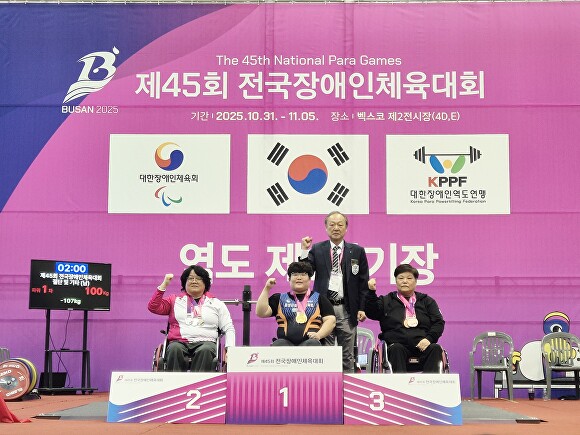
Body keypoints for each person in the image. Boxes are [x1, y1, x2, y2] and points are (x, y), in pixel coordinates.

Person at [299, 211, 369, 372]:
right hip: (324, 308)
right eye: (332, 224)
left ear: (346, 228)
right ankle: (327, 386)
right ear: (326, 228)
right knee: (326, 354)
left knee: (348, 356)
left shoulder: (357, 251)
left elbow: (363, 282)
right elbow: (305, 272)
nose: (336, 228)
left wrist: (362, 308)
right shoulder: (318, 249)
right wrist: (304, 251)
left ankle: (347, 387)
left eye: (340, 224)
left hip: (347, 309)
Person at [148, 265, 235, 372]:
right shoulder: (174, 300)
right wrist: (164, 284)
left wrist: (230, 350)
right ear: (184, 282)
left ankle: (201, 382)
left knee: (205, 350)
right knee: (174, 349)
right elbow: (153, 307)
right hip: (178, 341)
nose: (194, 281)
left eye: (198, 278)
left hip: (206, 342)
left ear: (206, 283)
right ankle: (174, 382)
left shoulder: (217, 303)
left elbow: (228, 328)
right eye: (190, 278)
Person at [365, 263, 445, 373]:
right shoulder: (387, 300)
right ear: (396, 281)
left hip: (423, 346)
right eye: (401, 278)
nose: (404, 281)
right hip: (397, 348)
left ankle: (431, 383)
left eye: (409, 278)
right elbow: (371, 312)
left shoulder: (427, 301)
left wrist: (429, 339)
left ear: (416, 281)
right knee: (396, 348)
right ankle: (399, 384)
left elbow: (438, 322)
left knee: (435, 348)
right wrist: (371, 292)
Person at [255, 261, 336, 346]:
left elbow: (331, 320)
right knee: (278, 344)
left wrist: (319, 335)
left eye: (303, 274)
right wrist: (267, 288)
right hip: (284, 344)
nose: (299, 278)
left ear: (309, 279)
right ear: (289, 279)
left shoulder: (319, 299)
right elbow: (261, 312)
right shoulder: (279, 298)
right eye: (295, 274)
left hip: (310, 343)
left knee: (313, 344)